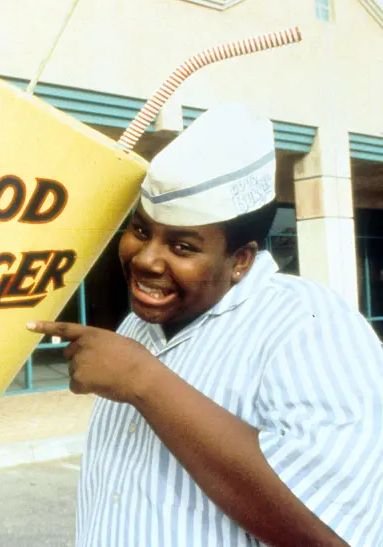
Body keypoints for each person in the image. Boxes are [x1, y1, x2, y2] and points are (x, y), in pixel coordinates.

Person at [28, 102, 383, 546]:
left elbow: (332, 535)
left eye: (181, 247)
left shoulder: (310, 326)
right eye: (141, 231)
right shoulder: (139, 326)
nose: (145, 259)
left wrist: (143, 380)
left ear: (240, 260)